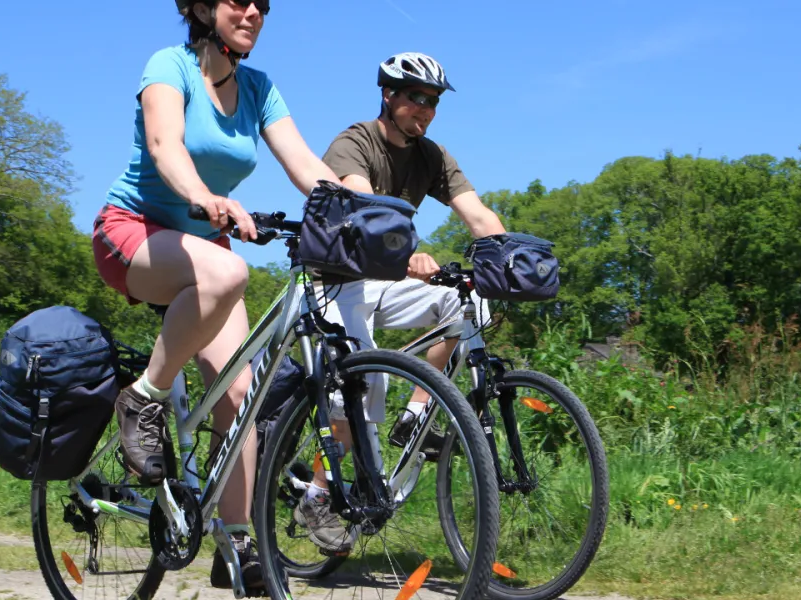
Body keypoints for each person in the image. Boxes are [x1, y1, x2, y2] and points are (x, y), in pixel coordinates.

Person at [91, 0, 341, 588]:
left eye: (263, 2)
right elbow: (165, 147)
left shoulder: (258, 89)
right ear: (202, 7)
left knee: (241, 396)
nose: (253, 10)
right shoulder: (168, 67)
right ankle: (143, 397)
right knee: (230, 275)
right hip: (134, 232)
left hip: (204, 249)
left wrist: (363, 208)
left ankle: (237, 544)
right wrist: (208, 198)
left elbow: (307, 165)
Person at [292, 52, 509, 553]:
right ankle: (318, 497)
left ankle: (419, 411)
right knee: (367, 378)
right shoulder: (355, 142)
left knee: (469, 307)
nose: (426, 109)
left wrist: (508, 257)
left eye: (433, 101)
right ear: (388, 95)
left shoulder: (431, 155)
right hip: (336, 282)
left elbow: (476, 212)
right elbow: (366, 207)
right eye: (417, 98)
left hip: (385, 282)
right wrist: (409, 253)